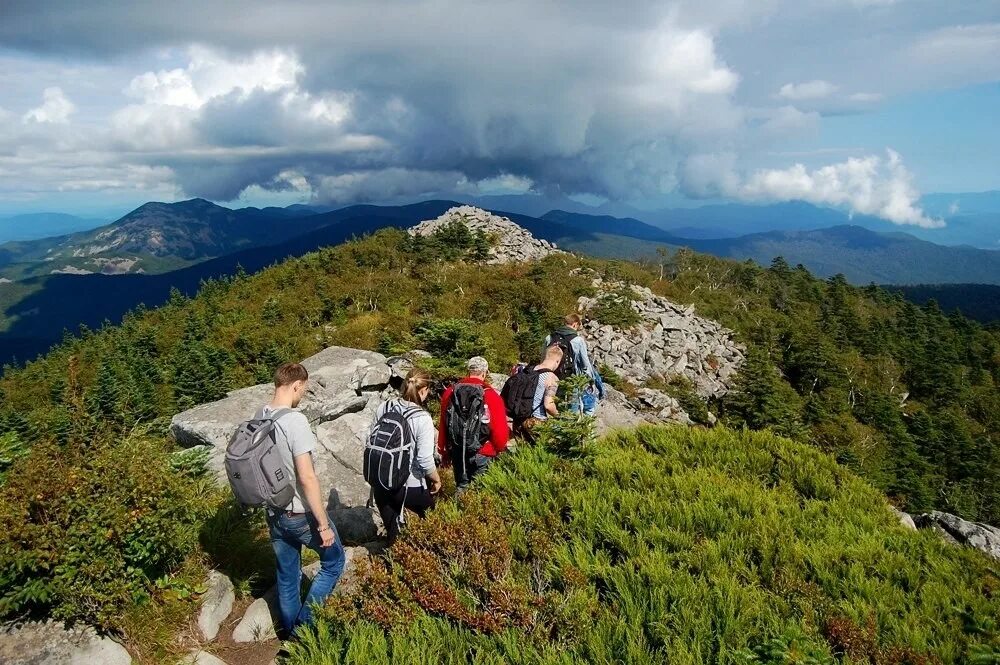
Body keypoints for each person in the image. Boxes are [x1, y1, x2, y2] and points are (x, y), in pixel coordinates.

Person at [259, 362, 346, 636]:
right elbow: (307, 478)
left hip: (273, 512)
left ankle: (289, 636)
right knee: (333, 563)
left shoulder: (260, 415)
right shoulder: (294, 420)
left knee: (287, 575)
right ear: (296, 385)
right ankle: (304, 629)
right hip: (299, 513)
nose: (302, 396)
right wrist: (322, 523)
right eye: (303, 390)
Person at [369, 367, 442, 543]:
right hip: (409, 485)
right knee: (434, 520)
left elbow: (371, 438)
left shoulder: (384, 407)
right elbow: (424, 460)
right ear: (424, 390)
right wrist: (437, 479)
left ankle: (391, 563)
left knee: (393, 535)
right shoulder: (422, 418)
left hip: (381, 482)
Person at [438, 356, 510, 495]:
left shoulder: (450, 393)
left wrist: (444, 451)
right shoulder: (492, 396)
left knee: (461, 487)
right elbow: (500, 432)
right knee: (481, 492)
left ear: (467, 371)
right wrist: (499, 449)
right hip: (483, 451)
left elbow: (444, 424)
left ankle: (457, 515)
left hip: (458, 450)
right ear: (485, 373)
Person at [544, 313, 604, 415]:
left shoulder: (549, 337)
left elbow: (544, 358)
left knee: (555, 408)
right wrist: (592, 381)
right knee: (571, 412)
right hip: (571, 380)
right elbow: (585, 365)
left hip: (552, 378)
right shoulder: (578, 340)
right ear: (575, 324)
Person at [505, 344, 562, 440]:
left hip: (518, 420)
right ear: (557, 361)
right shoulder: (552, 377)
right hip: (537, 421)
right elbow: (548, 405)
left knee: (522, 452)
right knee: (540, 452)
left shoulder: (527, 371)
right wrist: (560, 416)